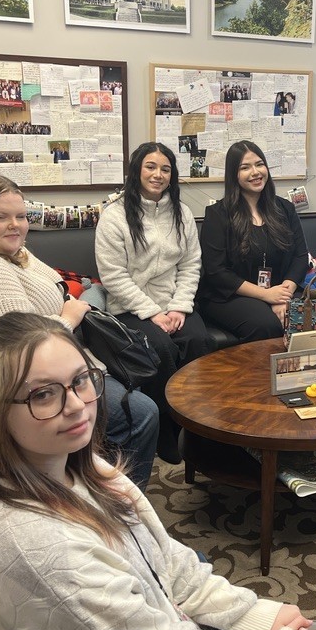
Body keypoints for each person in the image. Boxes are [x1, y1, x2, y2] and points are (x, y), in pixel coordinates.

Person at [0, 312, 316, 630]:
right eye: (43, 394)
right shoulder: (36, 547)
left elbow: (166, 561)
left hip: (157, 626)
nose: (77, 405)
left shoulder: (80, 465)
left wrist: (257, 615)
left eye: (80, 381)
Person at [0, 174, 159, 490]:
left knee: (99, 303)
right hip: (24, 387)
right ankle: (116, 508)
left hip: (8, 375)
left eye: (21, 216)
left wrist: (68, 305)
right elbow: (22, 349)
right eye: (0, 217)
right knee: (141, 414)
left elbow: (52, 288)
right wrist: (68, 319)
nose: (15, 225)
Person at [96, 142, 215, 462]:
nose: (158, 174)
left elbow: (192, 265)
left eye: (165, 168)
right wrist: (152, 313)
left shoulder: (182, 213)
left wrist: (178, 307)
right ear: (136, 170)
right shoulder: (114, 215)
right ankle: (165, 428)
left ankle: (196, 424)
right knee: (159, 347)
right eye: (150, 167)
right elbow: (113, 277)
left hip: (174, 303)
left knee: (198, 340)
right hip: (131, 307)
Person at [198, 140, 308, 341]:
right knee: (265, 324)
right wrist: (266, 295)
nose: (255, 172)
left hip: (279, 289)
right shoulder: (217, 214)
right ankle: (258, 373)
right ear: (234, 175)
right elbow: (216, 272)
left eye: (259, 164)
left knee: (306, 316)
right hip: (229, 296)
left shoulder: (285, 209)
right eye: (245, 167)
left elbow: (301, 257)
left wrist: (283, 295)